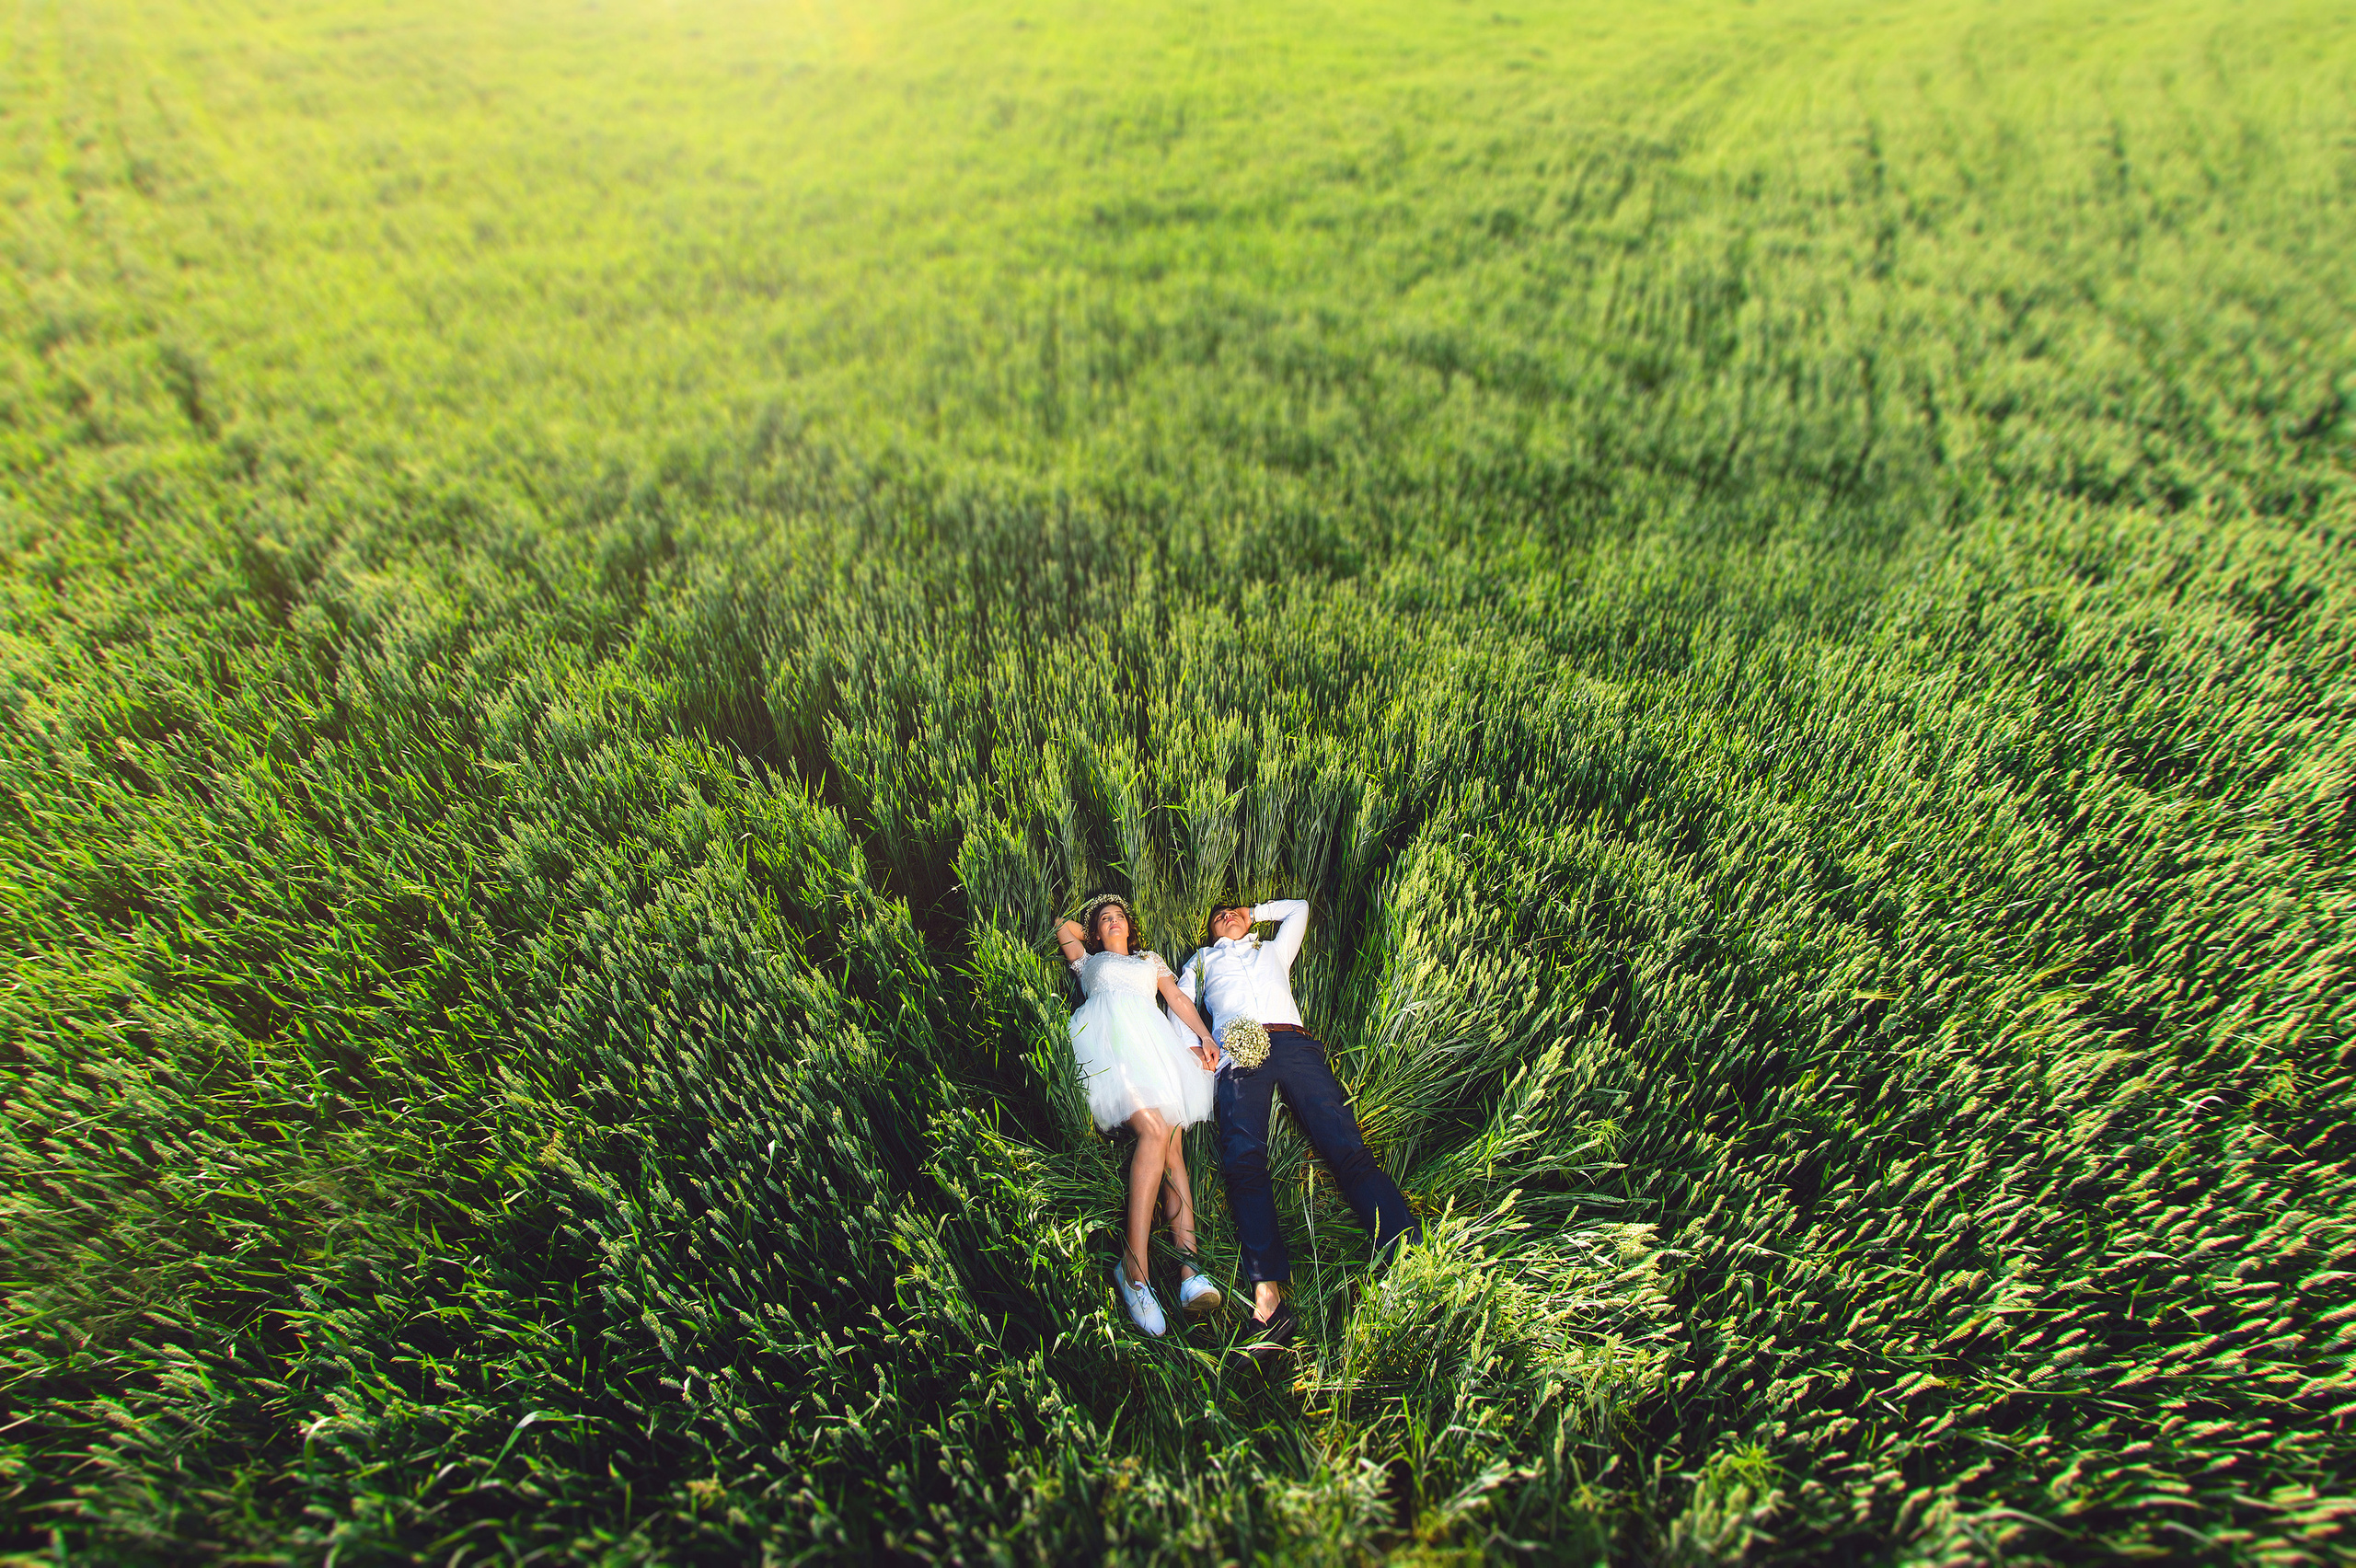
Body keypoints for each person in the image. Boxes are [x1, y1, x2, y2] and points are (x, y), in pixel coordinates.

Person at [1178, 898, 1420, 1347]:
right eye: (1218, 916)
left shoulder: (1272, 950)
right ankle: (1268, 1301)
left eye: (1234, 911)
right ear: (1209, 932)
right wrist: (1195, 1042)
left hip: (1293, 1044)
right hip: (1237, 1055)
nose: (1227, 917)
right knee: (1243, 1161)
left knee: (1345, 1145)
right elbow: (1178, 999)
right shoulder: (1202, 961)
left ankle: (1405, 1248)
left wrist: (1255, 910)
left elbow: (1302, 909)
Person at [1055, 894, 1224, 1336]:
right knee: (1153, 1131)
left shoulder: (1150, 960)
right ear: (1094, 932)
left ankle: (1190, 1274)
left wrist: (1205, 1035)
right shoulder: (1086, 962)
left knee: (1173, 1150)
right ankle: (1134, 1271)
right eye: (1104, 920)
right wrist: (1094, 922)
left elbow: (1177, 1001)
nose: (1113, 922)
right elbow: (1061, 926)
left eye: (1119, 917)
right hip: (1113, 1049)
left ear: (1131, 927)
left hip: (1156, 1050)